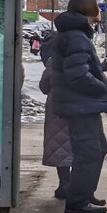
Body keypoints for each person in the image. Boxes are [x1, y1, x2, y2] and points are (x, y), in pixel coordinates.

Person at [49, 0, 107, 213]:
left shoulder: (76, 34)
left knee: (98, 149)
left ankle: (84, 193)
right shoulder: (76, 36)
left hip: (83, 105)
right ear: (89, 9)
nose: (100, 10)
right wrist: (101, 87)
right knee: (89, 152)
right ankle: (77, 202)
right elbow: (77, 75)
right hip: (80, 105)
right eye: (97, 6)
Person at [38, 34, 73, 201]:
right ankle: (73, 184)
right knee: (76, 144)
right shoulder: (81, 59)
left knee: (60, 146)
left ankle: (64, 183)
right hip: (77, 106)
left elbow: (43, 85)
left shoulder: (54, 61)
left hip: (56, 107)